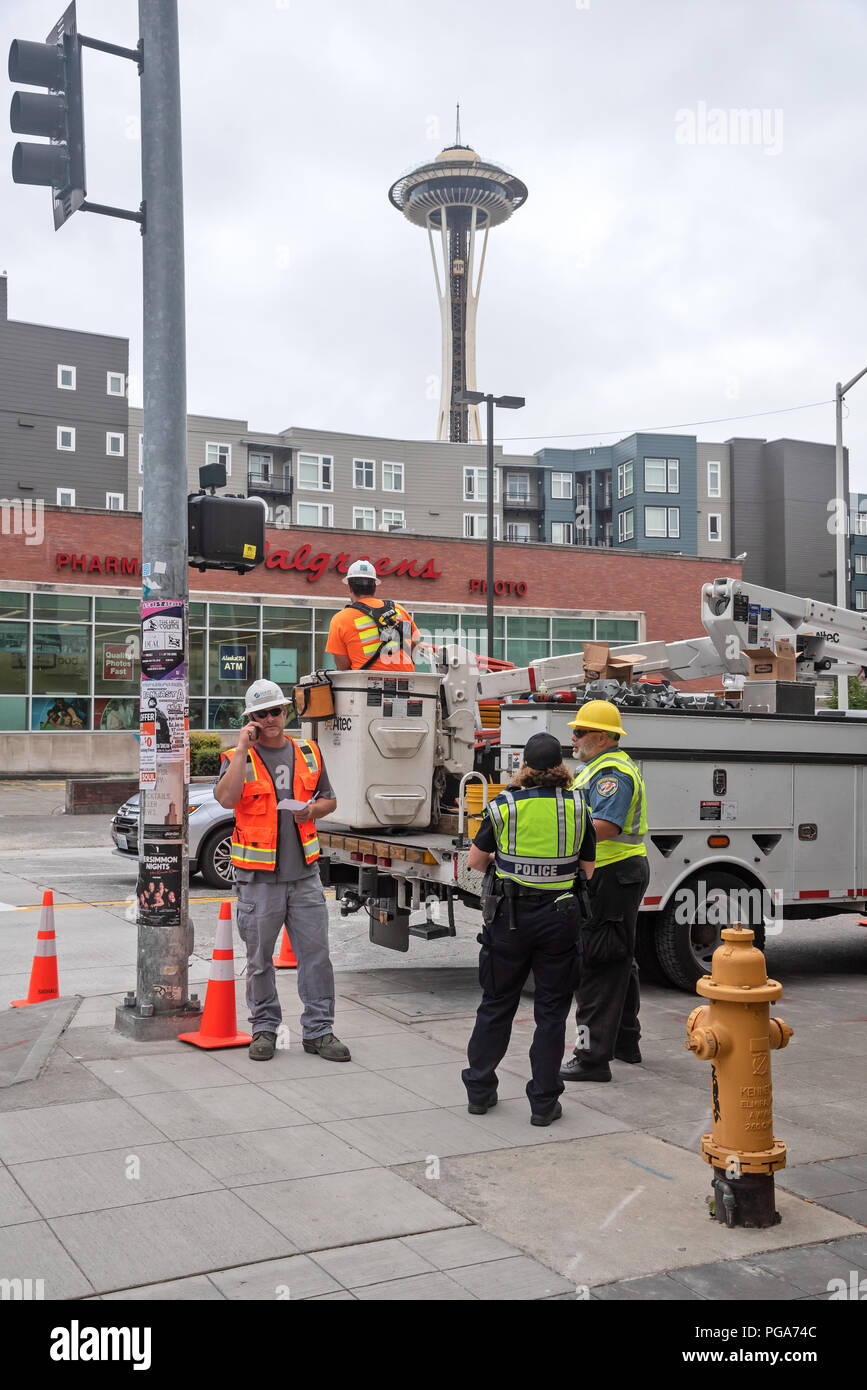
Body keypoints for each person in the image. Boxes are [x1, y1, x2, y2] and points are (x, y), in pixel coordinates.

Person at [462, 733, 596, 1126]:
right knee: (552, 1013)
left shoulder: (502, 806)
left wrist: (510, 875)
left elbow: (475, 860)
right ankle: (543, 1104)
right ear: (561, 769)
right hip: (560, 918)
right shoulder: (578, 807)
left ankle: (480, 1091)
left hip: (509, 918)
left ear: (524, 768)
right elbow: (588, 870)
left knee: (496, 1004)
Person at [214, 677, 349, 1063]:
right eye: (261, 714)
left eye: (275, 711)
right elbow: (226, 799)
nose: (270, 719)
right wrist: (242, 748)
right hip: (258, 882)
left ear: (286, 711)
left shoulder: (308, 751)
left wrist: (312, 811)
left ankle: (319, 1031)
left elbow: (330, 801)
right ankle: (264, 1029)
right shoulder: (235, 758)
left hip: (304, 877)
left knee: (317, 958)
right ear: (250, 718)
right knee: (259, 962)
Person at [560, 700, 649, 1084]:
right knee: (618, 959)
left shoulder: (612, 773)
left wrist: (556, 840)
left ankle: (591, 1057)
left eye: (580, 732)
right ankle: (625, 1041)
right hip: (616, 872)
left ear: (601, 736)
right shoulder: (595, 769)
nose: (574, 737)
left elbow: (605, 826)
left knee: (597, 964)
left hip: (611, 872)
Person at [325, 558, 425, 671]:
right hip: (406, 684)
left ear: (350, 587)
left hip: (364, 684)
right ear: (374, 587)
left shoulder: (340, 619)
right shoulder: (399, 609)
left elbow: (343, 666)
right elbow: (415, 644)